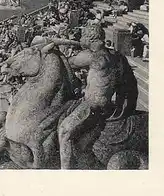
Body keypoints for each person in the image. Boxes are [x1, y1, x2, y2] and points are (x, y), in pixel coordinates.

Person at [59, 24, 138, 169]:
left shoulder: (93, 56)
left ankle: (65, 172)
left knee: (64, 131)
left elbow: (70, 62)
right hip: (107, 105)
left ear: (90, 38)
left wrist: (59, 48)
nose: (81, 40)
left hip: (91, 106)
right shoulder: (117, 56)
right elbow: (130, 85)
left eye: (83, 37)